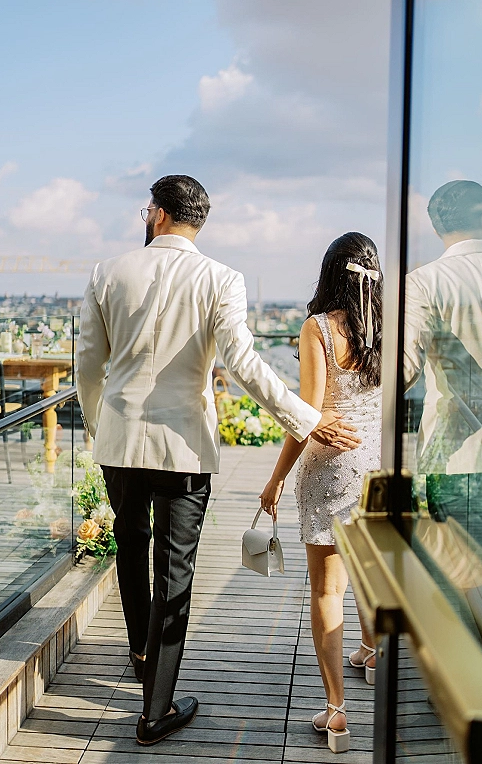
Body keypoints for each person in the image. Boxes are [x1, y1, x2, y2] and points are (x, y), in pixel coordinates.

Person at [76, 175, 361, 746]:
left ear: (155, 214)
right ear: (196, 221)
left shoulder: (108, 271)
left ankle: (140, 653)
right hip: (184, 448)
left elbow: (88, 361)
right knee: (174, 568)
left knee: (131, 546)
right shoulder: (221, 279)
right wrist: (305, 419)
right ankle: (155, 709)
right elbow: (243, 363)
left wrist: (95, 422)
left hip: (120, 442)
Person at [260, 232, 383, 753]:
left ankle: (335, 711)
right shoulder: (387, 328)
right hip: (377, 465)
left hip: (331, 469)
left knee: (326, 589)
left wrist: (276, 477)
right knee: (371, 573)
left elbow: (306, 414)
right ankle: (372, 653)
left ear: (330, 272)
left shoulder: (318, 329)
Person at [404, 180, 482, 566]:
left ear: (437, 228)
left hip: (459, 458)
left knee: (463, 583)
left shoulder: (425, 282)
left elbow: (404, 369)